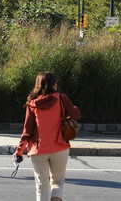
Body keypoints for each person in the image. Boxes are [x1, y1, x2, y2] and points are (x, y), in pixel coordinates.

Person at [14, 72, 81, 201]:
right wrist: (73, 108)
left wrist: (19, 151)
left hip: (38, 150)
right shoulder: (61, 98)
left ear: (38, 85)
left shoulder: (32, 104)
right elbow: (76, 115)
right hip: (60, 147)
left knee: (41, 186)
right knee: (58, 182)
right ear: (54, 84)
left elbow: (27, 131)